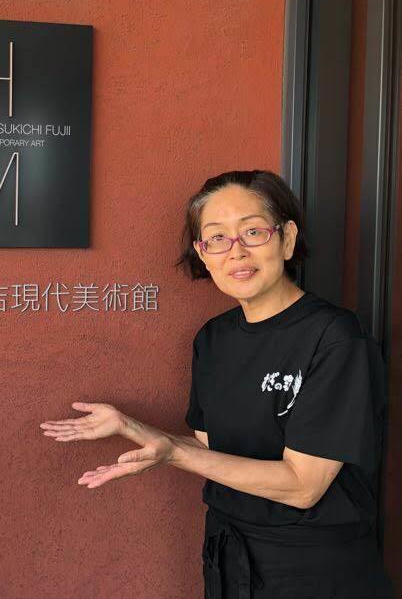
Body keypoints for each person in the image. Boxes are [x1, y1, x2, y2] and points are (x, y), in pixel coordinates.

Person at [41, 171, 392, 598]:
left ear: (287, 239)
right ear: (203, 254)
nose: (236, 251)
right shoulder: (213, 339)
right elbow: (210, 452)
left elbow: (304, 486)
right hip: (229, 560)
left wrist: (174, 456)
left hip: (315, 571)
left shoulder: (336, 337)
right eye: (218, 238)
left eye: (253, 232)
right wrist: (130, 427)